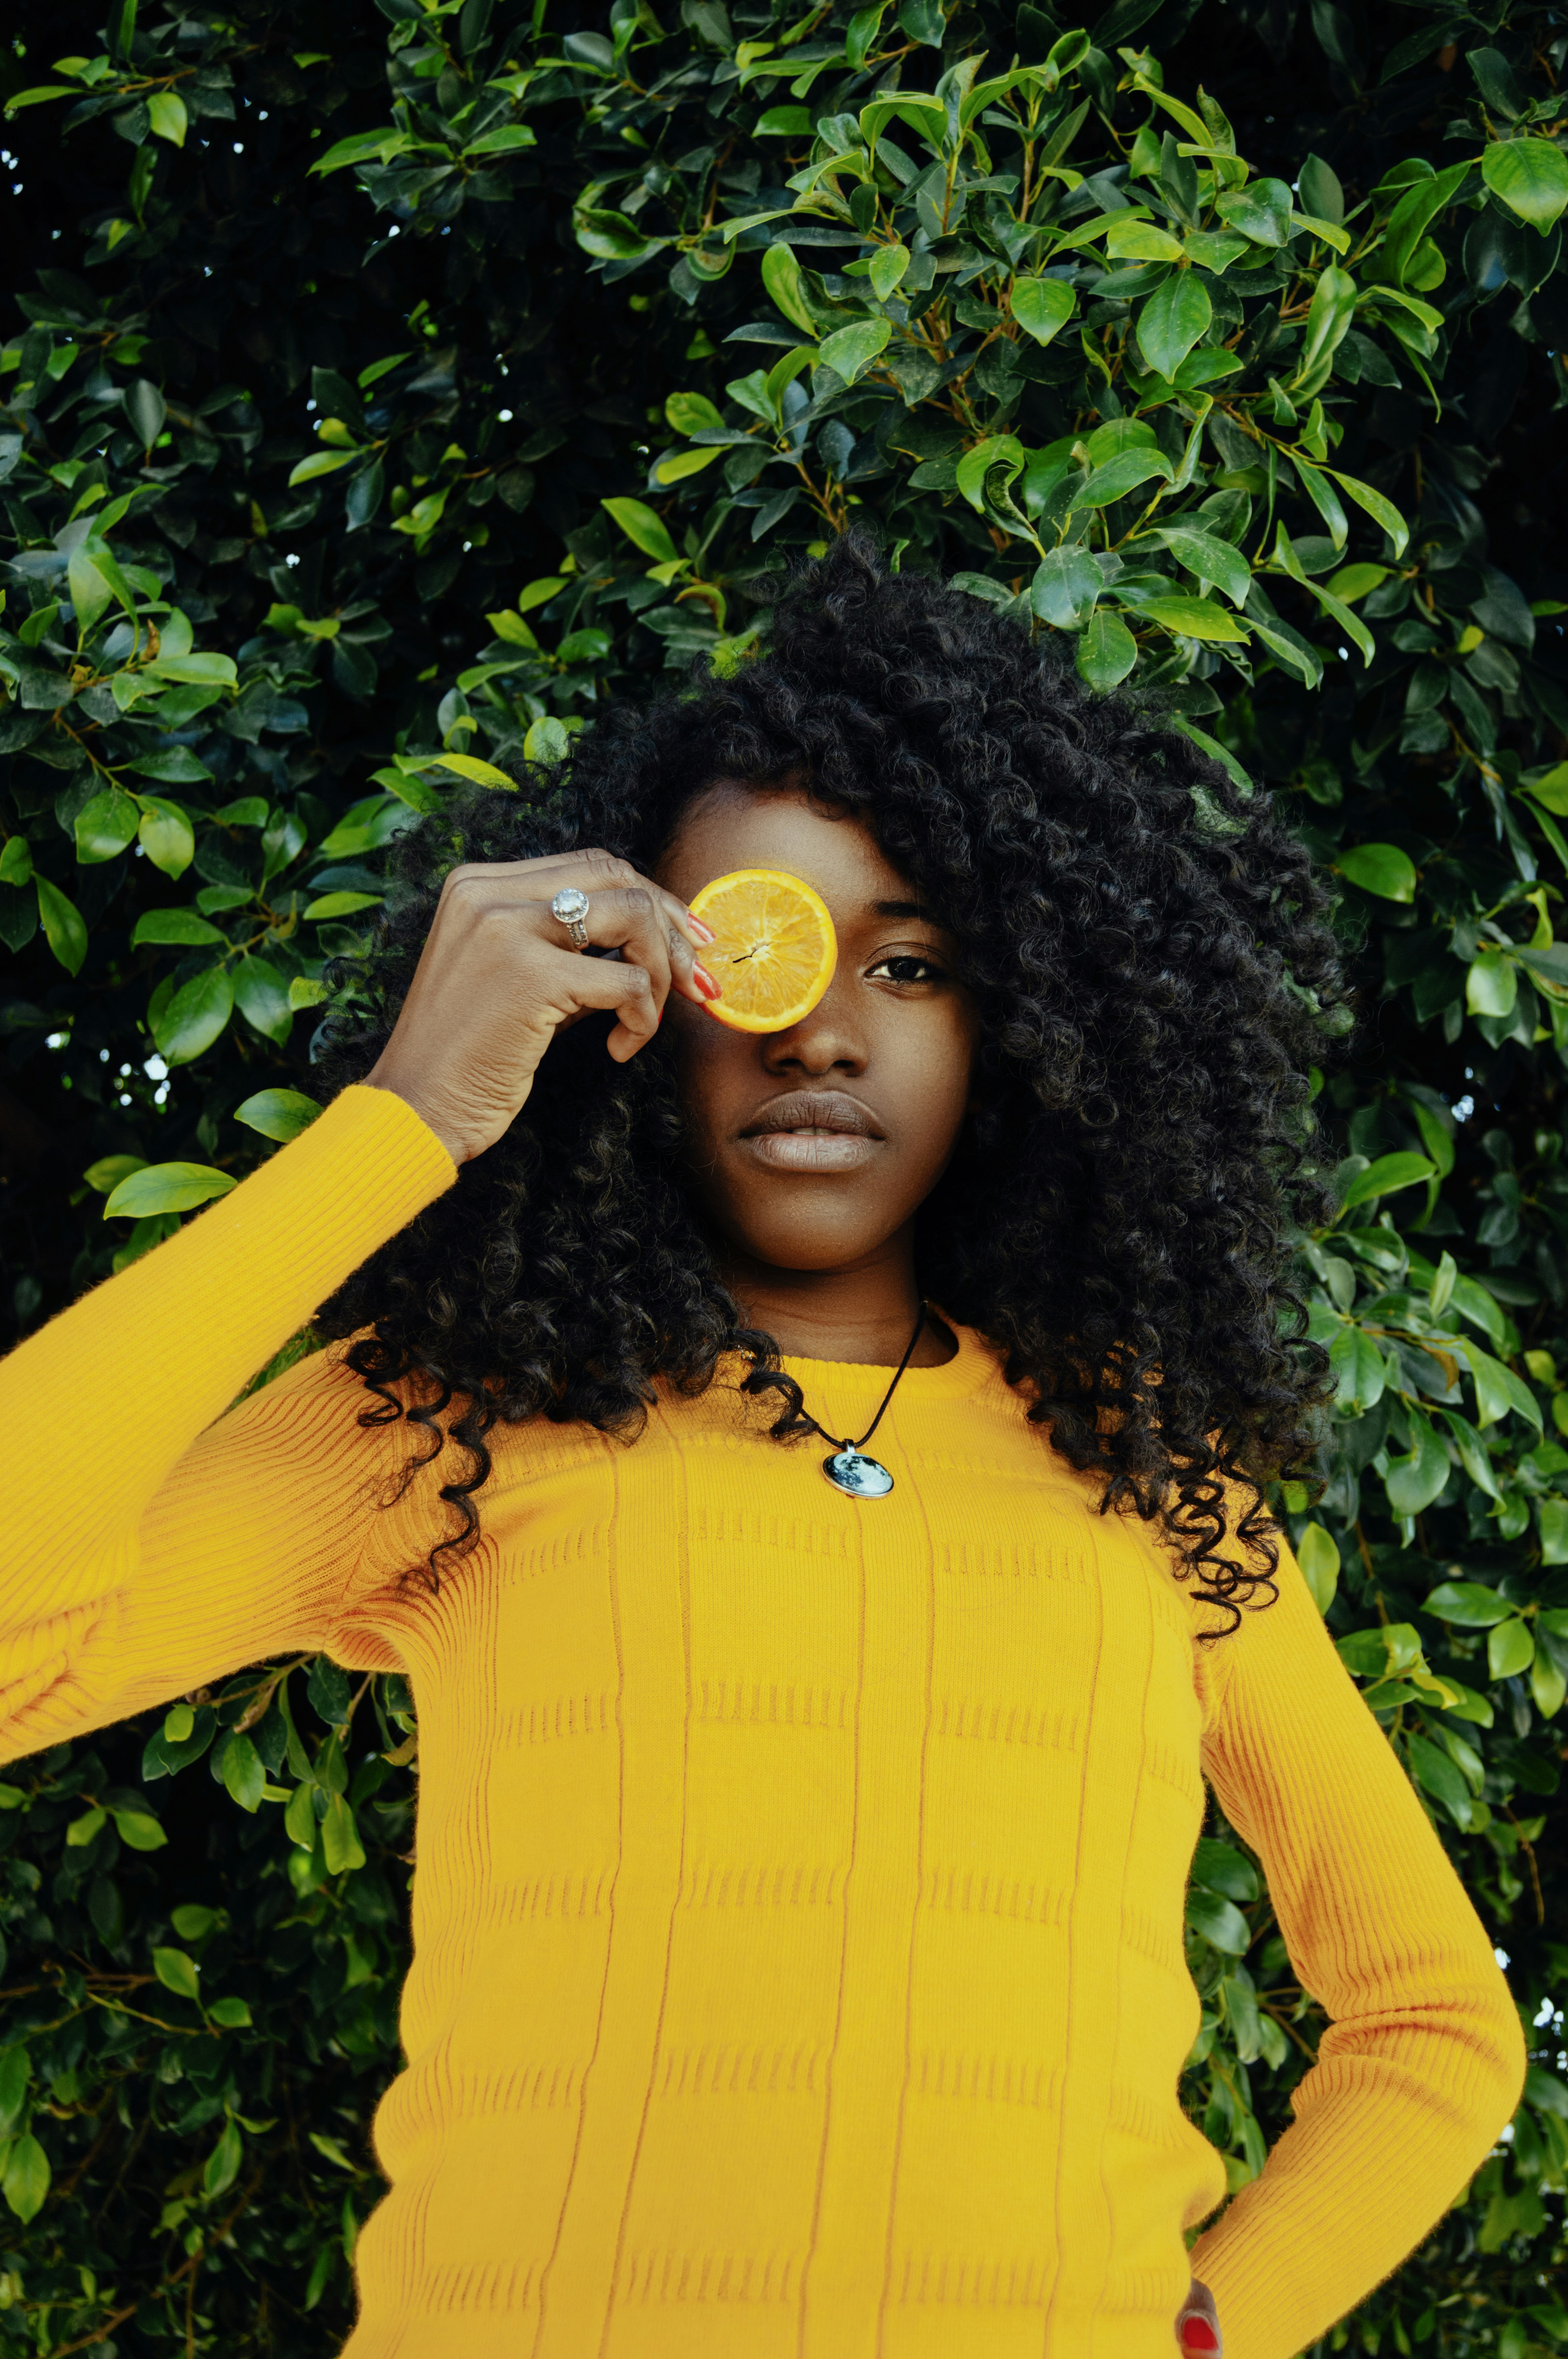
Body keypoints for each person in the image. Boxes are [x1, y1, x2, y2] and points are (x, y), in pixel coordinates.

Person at [0, 540, 1523, 2359]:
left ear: (1027, 1030)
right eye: (749, 952)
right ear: (636, 1008)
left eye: (913, 963)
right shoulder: (457, 1412)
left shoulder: (1148, 1482)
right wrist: (400, 1121)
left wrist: (1210, 2332)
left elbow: (1431, 2020)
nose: (819, 1025)